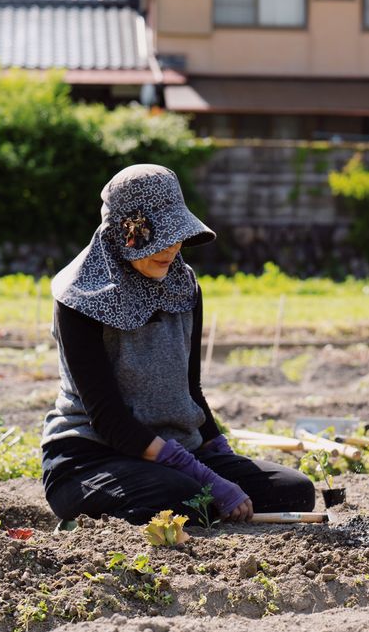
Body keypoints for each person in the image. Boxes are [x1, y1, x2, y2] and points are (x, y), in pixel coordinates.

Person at [40, 164, 315, 525]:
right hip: (92, 459)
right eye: (161, 235)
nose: (172, 247)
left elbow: (190, 389)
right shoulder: (79, 297)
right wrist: (204, 478)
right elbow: (109, 420)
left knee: (293, 490)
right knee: (183, 497)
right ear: (126, 232)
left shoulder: (184, 286)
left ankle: (191, 489)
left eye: (178, 234)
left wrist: (221, 458)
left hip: (176, 453)